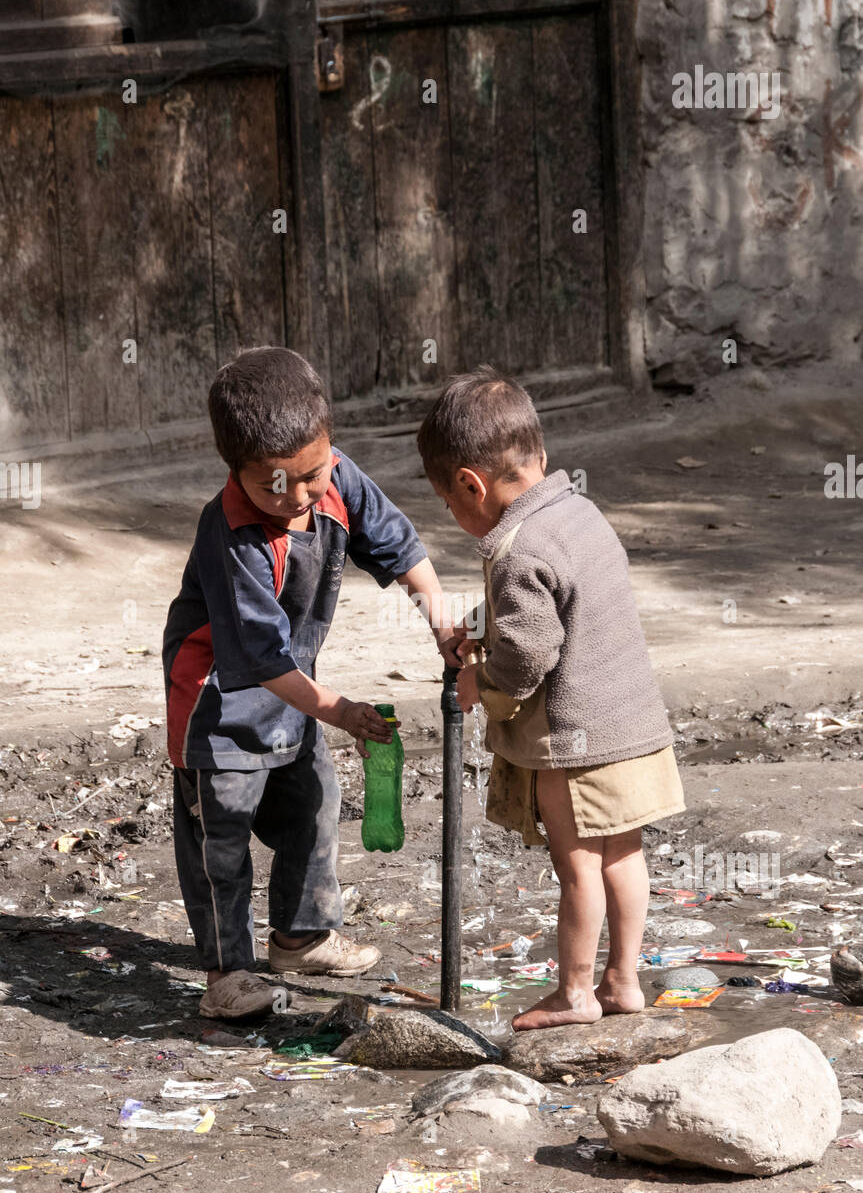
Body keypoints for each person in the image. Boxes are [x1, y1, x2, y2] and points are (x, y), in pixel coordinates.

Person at [163, 346, 455, 1021]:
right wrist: (343, 711)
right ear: (233, 469)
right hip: (218, 703)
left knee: (314, 803)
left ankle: (299, 936)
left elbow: (401, 549)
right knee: (223, 840)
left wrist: (443, 623)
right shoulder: (231, 535)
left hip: (294, 689)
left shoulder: (337, 480)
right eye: (274, 484)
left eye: (311, 476)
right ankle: (225, 972)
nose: (297, 498)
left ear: (329, 449)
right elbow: (261, 659)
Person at [417, 366, 685, 1031]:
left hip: (573, 739)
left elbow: (530, 649)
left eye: (450, 506)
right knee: (623, 855)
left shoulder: (516, 548)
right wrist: (476, 626)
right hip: (630, 725)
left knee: (576, 869)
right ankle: (621, 981)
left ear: (468, 484)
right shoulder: (577, 512)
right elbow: (546, 605)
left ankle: (573, 994)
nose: (456, 519)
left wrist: (478, 680)